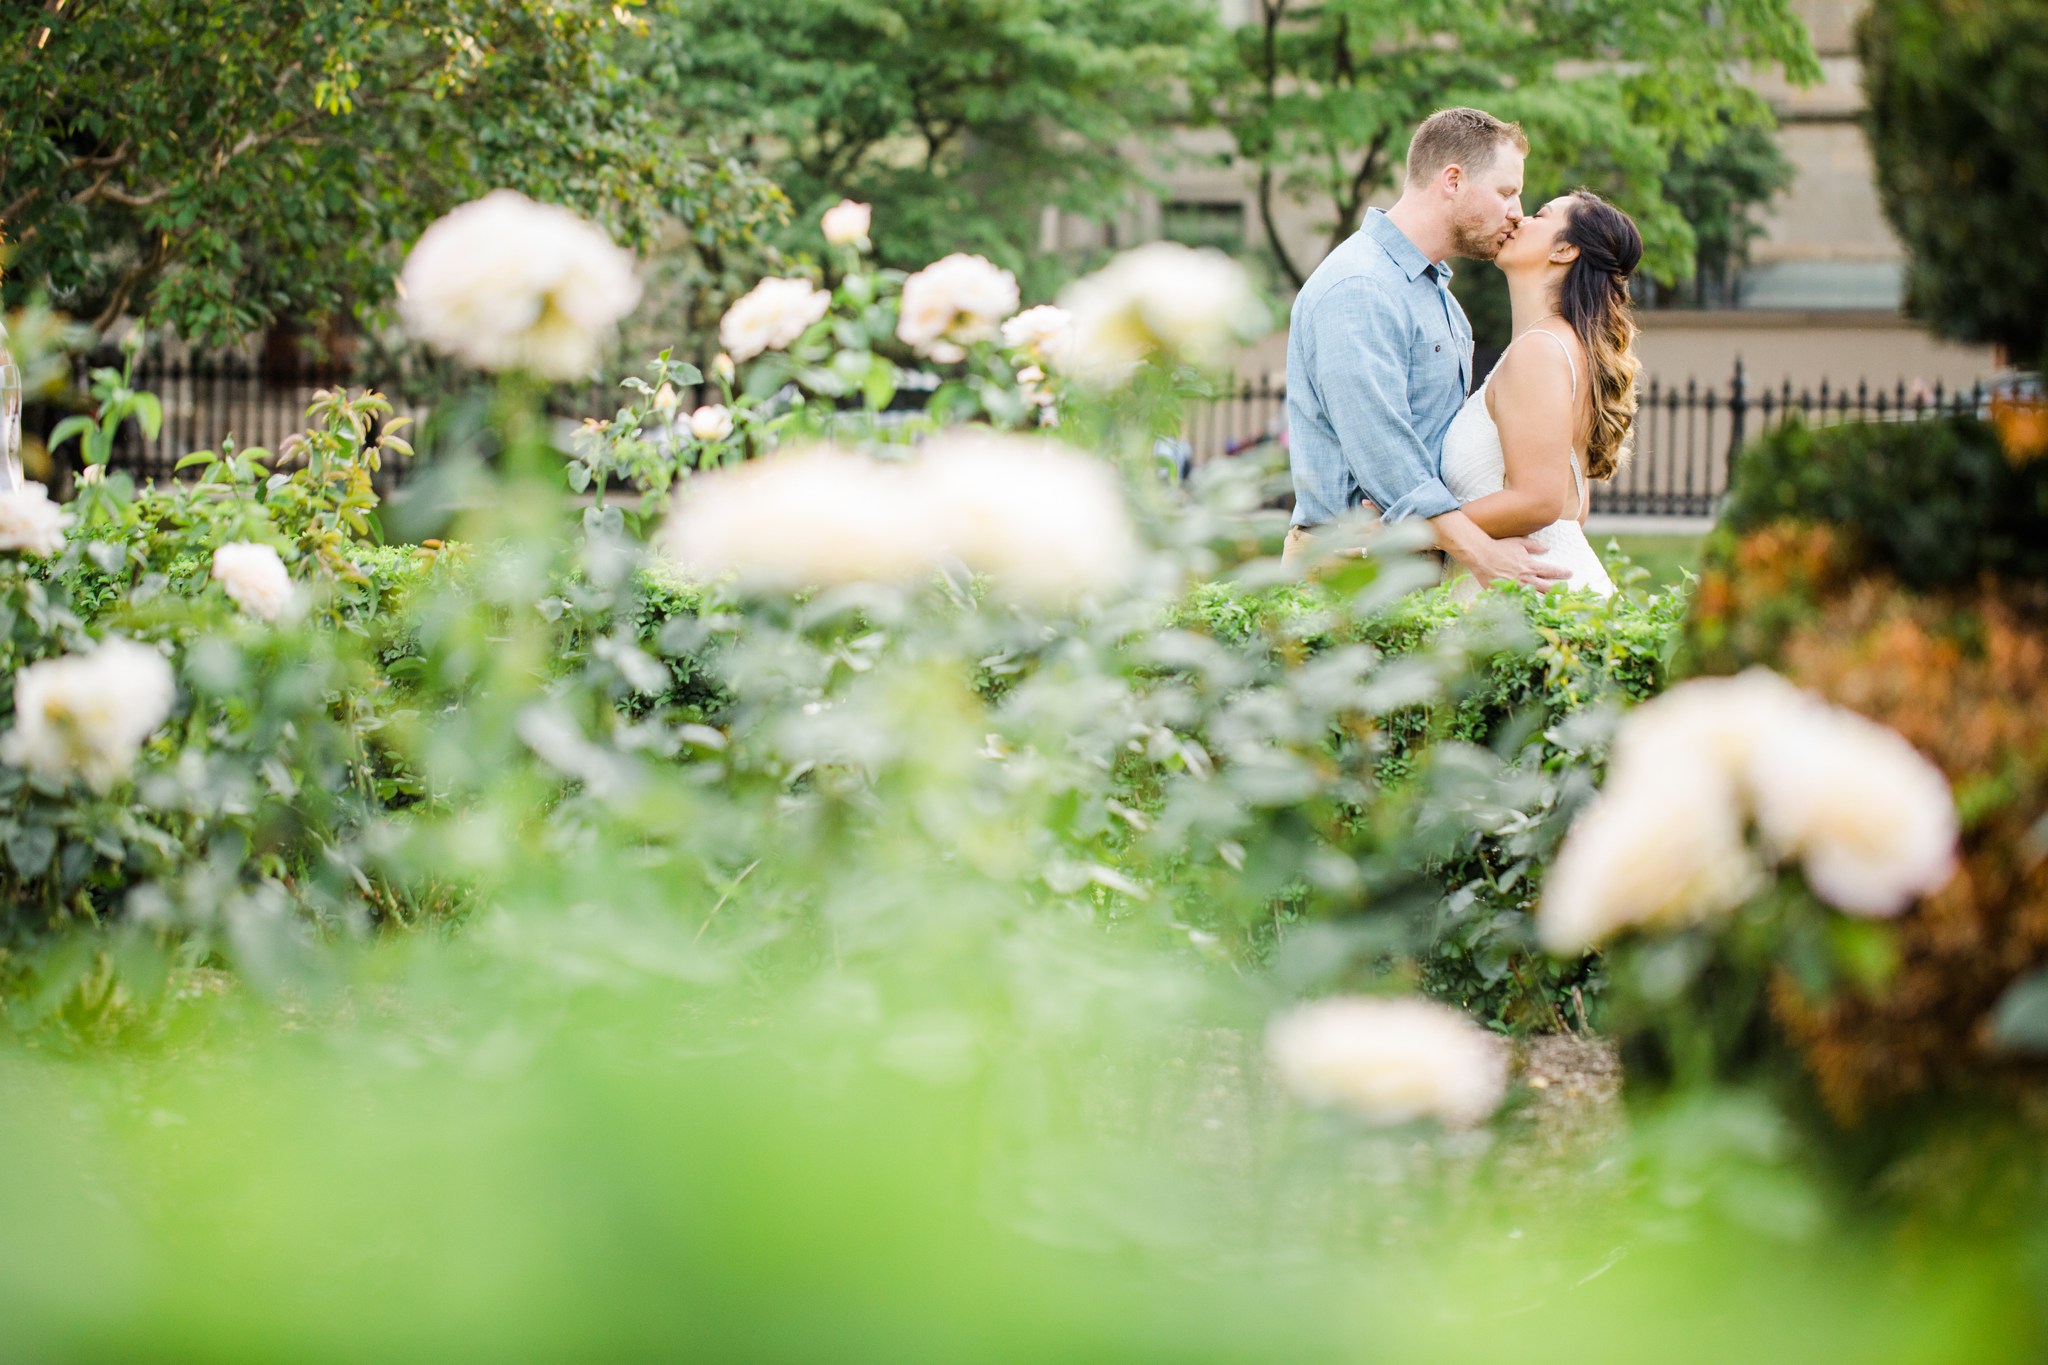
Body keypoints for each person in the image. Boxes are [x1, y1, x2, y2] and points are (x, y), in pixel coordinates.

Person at [1283, 107, 1565, 590]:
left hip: (1412, 563)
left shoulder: (1441, 300)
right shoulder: (1359, 286)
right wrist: (1484, 554)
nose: (1517, 211)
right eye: (1506, 192)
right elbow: (1387, 455)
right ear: (1452, 180)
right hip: (1350, 572)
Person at [1439, 190, 1645, 597]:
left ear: (1565, 249)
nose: (1519, 218)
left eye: (1539, 215)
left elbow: (1540, 501)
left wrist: (1421, 528)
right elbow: (1573, 509)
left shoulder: (1539, 351)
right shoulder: (1561, 348)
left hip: (1531, 605)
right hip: (1536, 583)